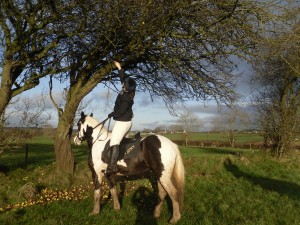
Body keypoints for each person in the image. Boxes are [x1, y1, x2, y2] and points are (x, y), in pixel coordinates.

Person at [105, 61, 136, 176]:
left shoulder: (125, 97)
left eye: (124, 84)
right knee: (122, 142)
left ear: (126, 87)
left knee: (114, 142)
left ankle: (112, 167)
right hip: (127, 121)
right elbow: (124, 78)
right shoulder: (130, 90)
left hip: (122, 122)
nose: (122, 84)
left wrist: (111, 114)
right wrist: (119, 68)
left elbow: (120, 111)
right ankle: (122, 160)